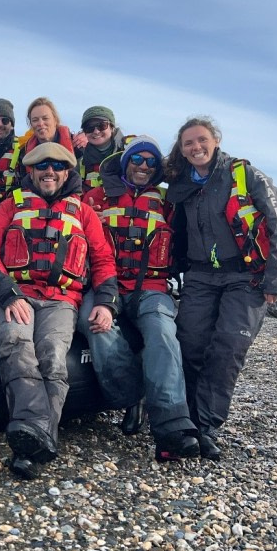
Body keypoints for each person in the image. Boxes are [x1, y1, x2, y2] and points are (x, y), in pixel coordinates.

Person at [0, 140, 119, 480]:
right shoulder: (12, 205)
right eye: (42, 166)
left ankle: (32, 441)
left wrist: (106, 302)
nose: (49, 171)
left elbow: (102, 259)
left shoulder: (83, 211)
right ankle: (38, 435)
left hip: (61, 300)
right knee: (15, 345)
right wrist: (8, 295)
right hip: (16, 294)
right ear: (32, 170)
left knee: (54, 358)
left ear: (68, 171)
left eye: (57, 166)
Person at [165, 116, 277, 461]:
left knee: (227, 349)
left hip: (246, 277)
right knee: (189, 345)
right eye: (188, 143)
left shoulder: (244, 174)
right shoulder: (179, 183)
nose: (196, 147)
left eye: (201, 140)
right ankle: (187, 422)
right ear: (181, 150)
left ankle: (205, 427)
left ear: (216, 140)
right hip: (199, 277)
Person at [80, 136, 200, 462]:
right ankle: (131, 397)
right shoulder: (95, 198)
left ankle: (172, 426)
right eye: (137, 160)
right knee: (95, 327)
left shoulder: (167, 203)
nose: (143, 167)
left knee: (163, 334)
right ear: (125, 162)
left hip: (152, 287)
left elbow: (190, 239)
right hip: (106, 286)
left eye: (150, 162)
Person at [72, 106, 127, 193]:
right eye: (89, 128)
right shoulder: (79, 161)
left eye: (102, 126)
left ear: (112, 127)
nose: (96, 131)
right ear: (84, 132)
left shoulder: (128, 152)